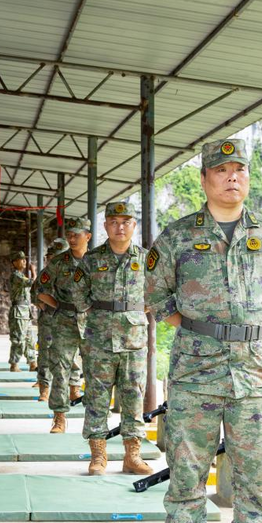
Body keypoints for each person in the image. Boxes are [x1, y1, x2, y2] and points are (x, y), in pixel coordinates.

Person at [145, 138, 262, 523]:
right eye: (221, 170)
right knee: (187, 463)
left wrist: (248, 331)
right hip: (196, 368)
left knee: (257, 464)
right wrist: (201, 331)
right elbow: (156, 298)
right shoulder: (177, 237)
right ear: (204, 180)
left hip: (255, 370)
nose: (232, 177)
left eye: (239, 170)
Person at [71, 201, 152, 476]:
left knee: (133, 397)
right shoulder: (91, 260)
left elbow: (160, 291)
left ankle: (132, 456)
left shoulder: (146, 259)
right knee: (96, 397)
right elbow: (78, 294)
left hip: (134, 340)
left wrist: (139, 308)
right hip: (99, 340)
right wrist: (101, 312)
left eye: (125, 221)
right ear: (105, 226)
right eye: (114, 222)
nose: (120, 227)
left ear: (133, 225)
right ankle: (98, 457)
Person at [37, 217, 91, 433]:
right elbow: (41, 288)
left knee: (96, 369)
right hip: (64, 321)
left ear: (87, 236)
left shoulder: (97, 261)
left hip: (92, 321)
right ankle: (59, 417)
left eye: (76, 235)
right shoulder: (58, 263)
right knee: (60, 368)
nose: (72, 238)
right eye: (69, 235)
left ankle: (96, 418)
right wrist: (58, 305)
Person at [33, 238, 69, 401]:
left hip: (69, 319)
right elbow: (35, 293)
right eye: (53, 257)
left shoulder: (74, 272)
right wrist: (43, 304)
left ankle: (73, 387)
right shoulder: (45, 274)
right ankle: (44, 388)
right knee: (45, 353)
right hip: (49, 318)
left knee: (70, 355)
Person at [7, 251, 37, 372]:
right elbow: (32, 282)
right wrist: (34, 271)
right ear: (14, 262)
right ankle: (14, 364)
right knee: (19, 339)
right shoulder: (16, 275)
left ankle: (32, 363)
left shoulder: (21, 275)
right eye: (21, 259)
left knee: (30, 339)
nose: (24, 261)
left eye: (25, 259)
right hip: (19, 312)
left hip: (25, 311)